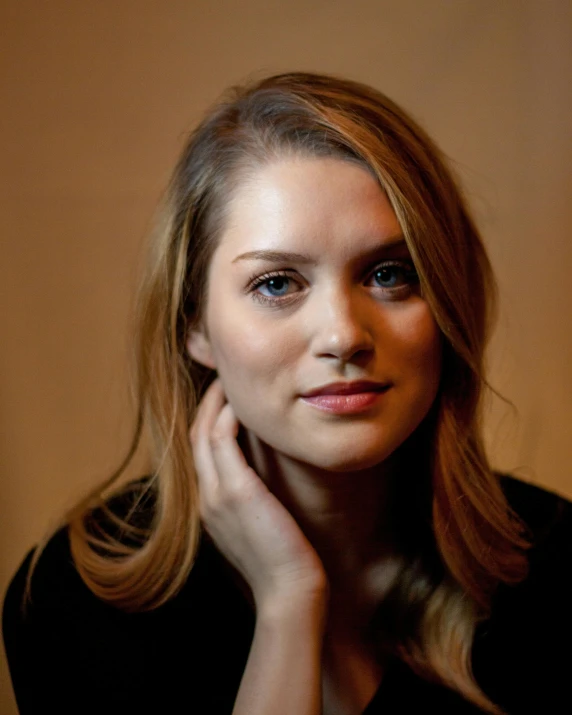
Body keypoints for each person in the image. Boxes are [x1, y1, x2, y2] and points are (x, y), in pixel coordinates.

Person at [3, 71, 571, 715]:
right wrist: (288, 600)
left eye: (389, 274)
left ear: (448, 303)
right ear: (195, 325)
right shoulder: (75, 600)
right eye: (277, 284)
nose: (343, 335)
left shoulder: (558, 571)